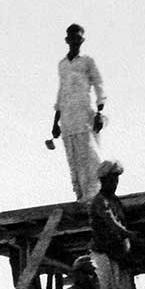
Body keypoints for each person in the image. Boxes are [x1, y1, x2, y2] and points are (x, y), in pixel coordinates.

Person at [48, 24, 106, 202]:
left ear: (82, 40)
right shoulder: (62, 65)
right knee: (73, 159)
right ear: (67, 40)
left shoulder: (87, 61)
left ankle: (95, 197)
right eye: (72, 38)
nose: (75, 41)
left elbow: (98, 84)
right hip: (67, 119)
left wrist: (99, 111)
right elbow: (61, 92)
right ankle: (80, 198)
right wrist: (55, 122)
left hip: (84, 116)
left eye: (78, 38)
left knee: (90, 156)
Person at [88, 160, 134, 289]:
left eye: (116, 180)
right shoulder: (99, 201)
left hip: (118, 256)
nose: (115, 183)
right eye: (112, 180)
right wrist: (128, 234)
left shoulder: (115, 201)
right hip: (103, 255)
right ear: (103, 181)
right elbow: (111, 222)